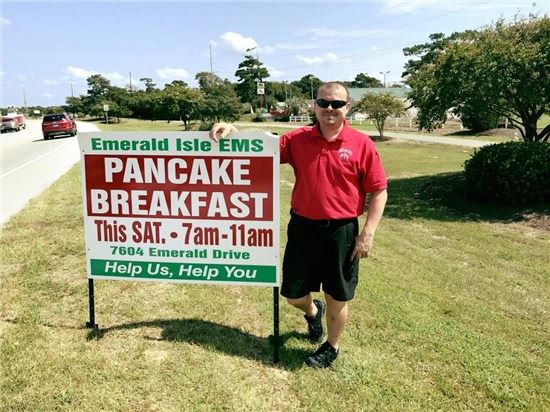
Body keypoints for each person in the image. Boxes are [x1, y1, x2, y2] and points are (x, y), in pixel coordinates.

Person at [210, 82, 388, 368]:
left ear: (348, 108)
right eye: (324, 103)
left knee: (337, 295)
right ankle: (311, 312)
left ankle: (332, 345)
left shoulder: (361, 144)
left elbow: (379, 190)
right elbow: (259, 149)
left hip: (341, 231)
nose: (330, 109)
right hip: (303, 227)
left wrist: (368, 232)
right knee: (293, 294)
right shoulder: (298, 139)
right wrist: (233, 131)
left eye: (337, 104)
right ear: (314, 106)